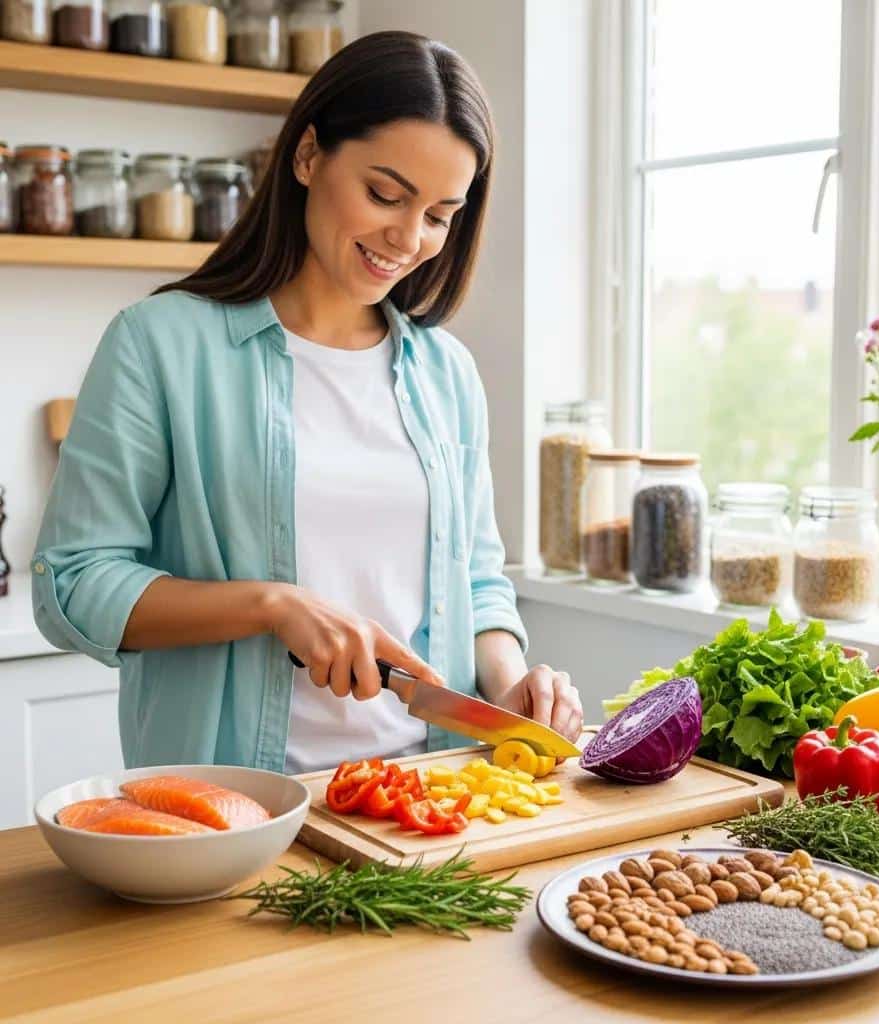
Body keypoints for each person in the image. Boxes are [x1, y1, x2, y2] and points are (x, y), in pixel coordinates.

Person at [32, 30, 582, 774]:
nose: (408, 237)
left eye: (439, 214)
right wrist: (272, 606)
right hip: (236, 809)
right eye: (385, 194)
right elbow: (74, 583)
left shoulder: (446, 372)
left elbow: (479, 582)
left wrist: (512, 683)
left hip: (426, 799)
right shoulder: (159, 344)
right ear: (308, 155)